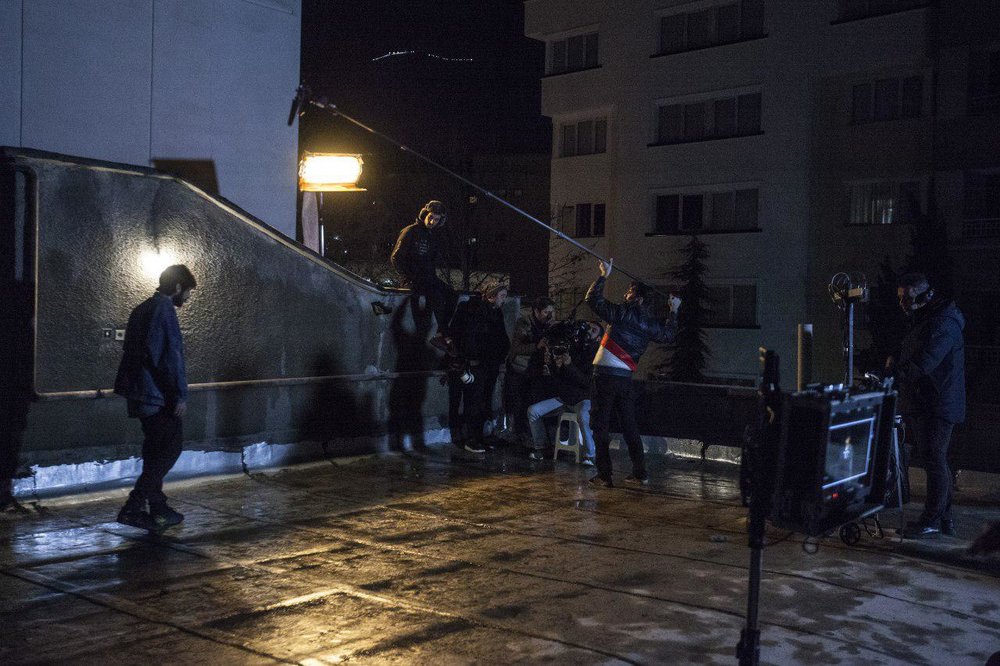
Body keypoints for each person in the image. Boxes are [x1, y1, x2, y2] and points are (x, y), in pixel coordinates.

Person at [113, 264, 197, 531]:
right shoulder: (163, 310)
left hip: (141, 392)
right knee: (170, 450)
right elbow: (168, 358)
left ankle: (158, 507)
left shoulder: (143, 308)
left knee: (154, 452)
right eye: (188, 291)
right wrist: (179, 395)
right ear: (178, 287)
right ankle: (133, 508)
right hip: (156, 395)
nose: (188, 298)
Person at [586, 259, 680, 487]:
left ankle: (604, 474)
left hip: (604, 377)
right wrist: (674, 311)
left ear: (638, 298)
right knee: (629, 426)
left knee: (600, 426)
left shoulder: (621, 313)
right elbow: (669, 335)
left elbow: (592, 299)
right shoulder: (650, 324)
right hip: (625, 379)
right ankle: (640, 473)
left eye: (629, 292)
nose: (625, 295)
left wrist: (603, 276)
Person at [887, 272, 965, 538]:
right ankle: (944, 518)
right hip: (930, 402)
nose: (903, 304)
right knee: (936, 459)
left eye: (907, 299)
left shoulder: (943, 322)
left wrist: (894, 373)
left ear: (926, 295)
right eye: (900, 298)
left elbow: (925, 361)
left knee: (934, 459)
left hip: (938, 404)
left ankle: (931, 520)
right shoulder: (928, 318)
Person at [525, 320, 602, 464]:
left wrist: (569, 365)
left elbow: (587, 382)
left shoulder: (596, 355)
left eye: (594, 330)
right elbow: (560, 378)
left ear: (599, 338)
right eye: (588, 328)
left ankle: (590, 454)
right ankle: (541, 447)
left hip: (583, 398)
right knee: (533, 411)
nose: (588, 332)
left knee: (583, 416)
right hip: (564, 398)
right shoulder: (574, 347)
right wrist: (552, 365)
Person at [447, 281, 510, 454]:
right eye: (502, 296)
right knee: (473, 401)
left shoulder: (496, 312)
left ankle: (482, 436)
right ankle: (472, 438)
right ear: (491, 296)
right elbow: (465, 336)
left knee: (485, 400)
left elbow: (500, 336)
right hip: (476, 363)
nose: (504, 300)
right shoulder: (472, 310)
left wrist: (501, 354)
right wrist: (468, 358)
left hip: (491, 363)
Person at [390, 200, 457, 351]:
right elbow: (396, 258)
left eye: (436, 219)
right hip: (413, 279)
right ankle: (445, 336)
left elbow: (431, 261)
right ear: (425, 214)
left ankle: (440, 334)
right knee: (436, 296)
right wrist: (408, 277)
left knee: (452, 294)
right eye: (431, 217)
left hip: (428, 278)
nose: (432, 222)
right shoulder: (410, 231)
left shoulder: (432, 235)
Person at [506, 296, 556, 445]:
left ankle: (533, 435)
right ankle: (519, 435)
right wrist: (536, 346)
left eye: (551, 312)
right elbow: (516, 348)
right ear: (536, 311)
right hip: (520, 370)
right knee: (519, 404)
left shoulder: (549, 325)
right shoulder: (524, 324)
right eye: (546, 312)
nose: (549, 315)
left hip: (537, 371)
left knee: (533, 402)